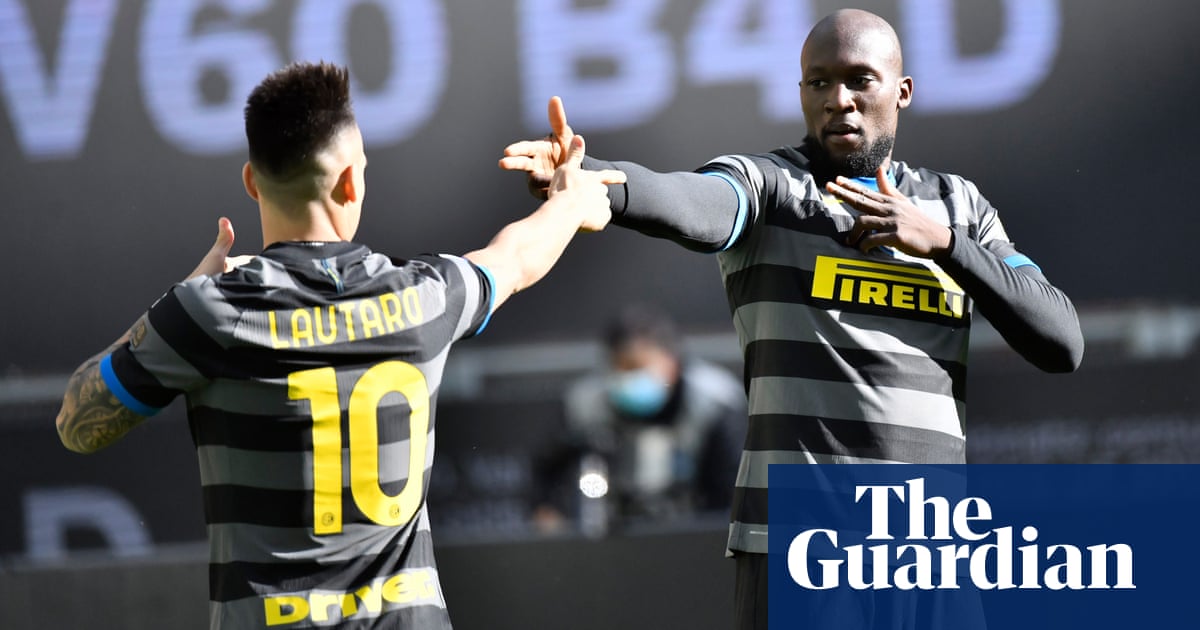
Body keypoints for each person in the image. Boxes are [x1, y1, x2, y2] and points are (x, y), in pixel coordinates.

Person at [500, 8, 1084, 629]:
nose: (839, 100)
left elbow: (1061, 341)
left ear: (903, 91)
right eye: (819, 82)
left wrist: (943, 244)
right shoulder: (771, 188)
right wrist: (595, 181)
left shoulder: (957, 207)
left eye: (860, 80)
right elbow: (692, 202)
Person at [54, 61, 623, 629]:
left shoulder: (209, 314)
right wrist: (567, 200)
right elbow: (515, 258)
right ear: (351, 181)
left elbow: (77, 424)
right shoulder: (424, 298)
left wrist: (179, 300)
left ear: (252, 181)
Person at [532, 303, 744, 532]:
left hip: (698, 527)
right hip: (612, 532)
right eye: (620, 367)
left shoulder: (714, 402)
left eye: (638, 367)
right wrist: (548, 512)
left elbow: (735, 484)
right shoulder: (584, 404)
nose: (628, 377)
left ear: (671, 363)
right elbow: (546, 467)